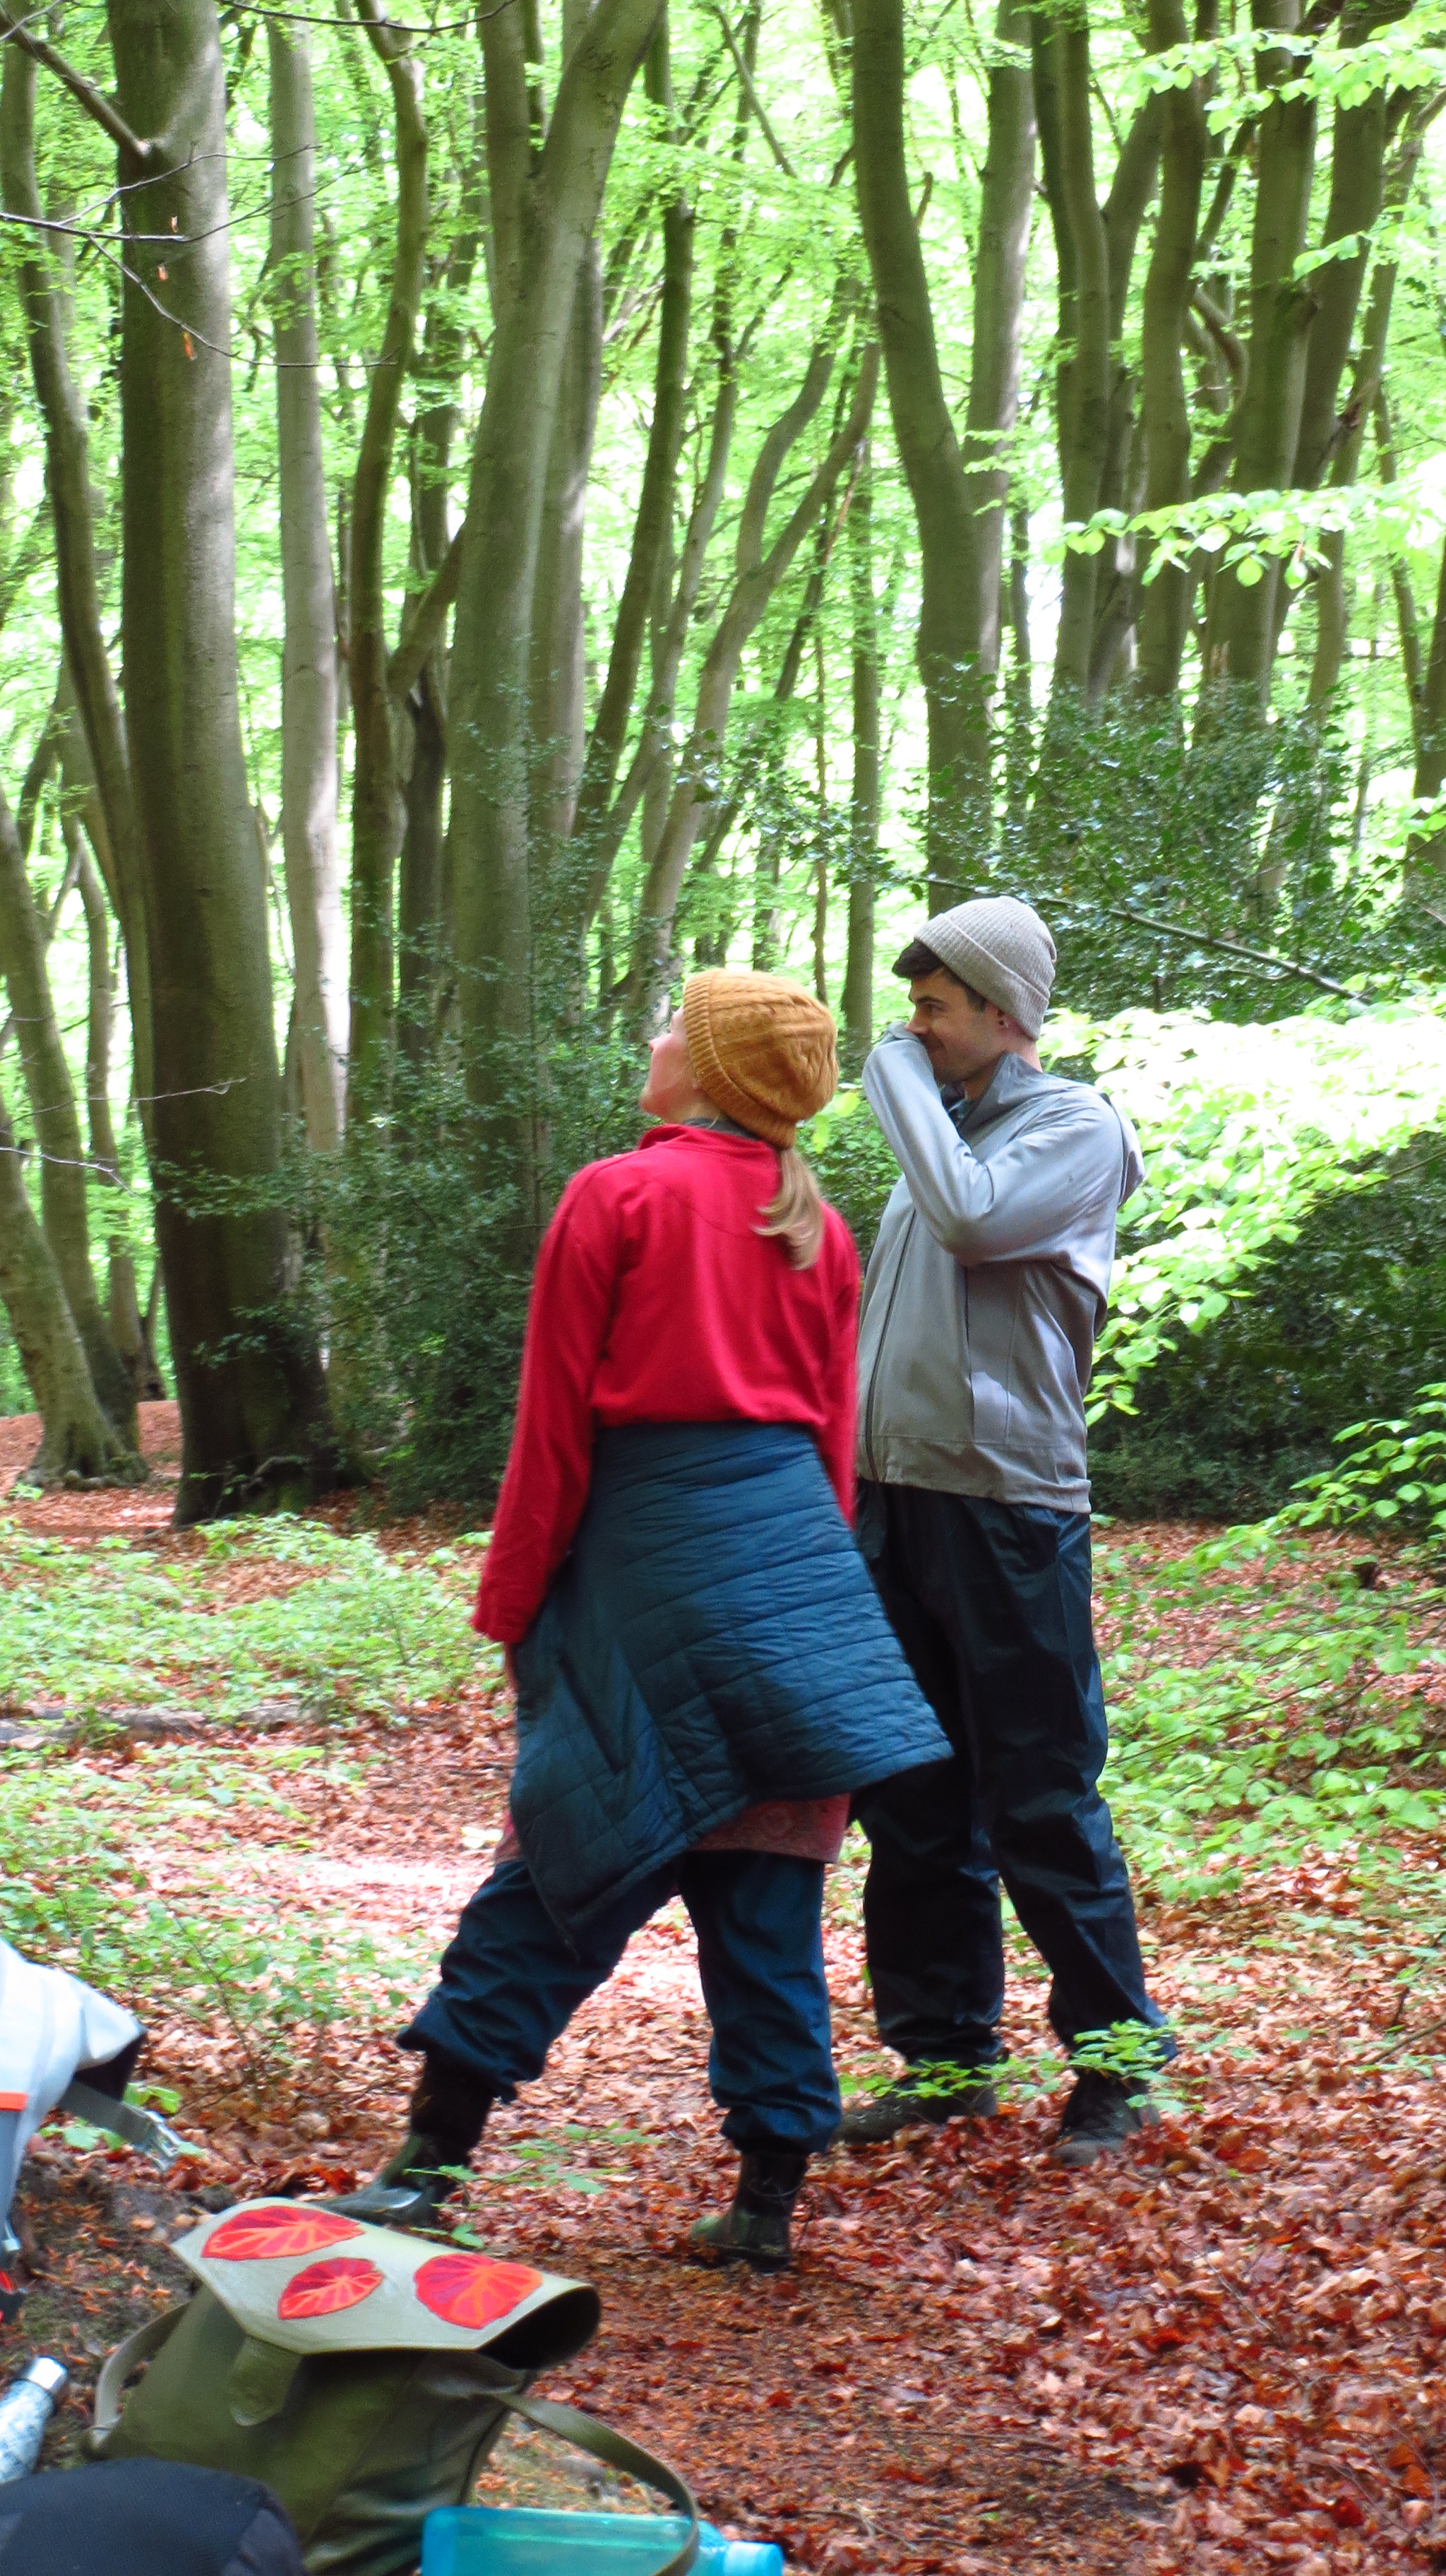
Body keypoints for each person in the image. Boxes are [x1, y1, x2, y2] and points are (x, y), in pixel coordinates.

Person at [344, 972, 949, 2270]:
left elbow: (554, 1428)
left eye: (677, 1024)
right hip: (794, 1580)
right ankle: (766, 2212)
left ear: (716, 1072)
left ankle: (425, 2173)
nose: (657, 1040)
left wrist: (515, 1607)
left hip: (648, 1570)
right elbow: (833, 1448)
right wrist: (811, 1602)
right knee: (767, 1894)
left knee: (563, 1868)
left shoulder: (617, 1195)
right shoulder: (818, 1229)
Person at [839, 895, 1172, 2168]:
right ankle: (945, 2061)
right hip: (896, 1504)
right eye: (911, 1010)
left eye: (934, 1007)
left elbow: (977, 1220)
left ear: (1002, 1013)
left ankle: (1118, 2066)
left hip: (1008, 1507)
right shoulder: (950, 1131)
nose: (912, 1028)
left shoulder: (1074, 1128)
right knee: (915, 1801)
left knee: (1038, 1797)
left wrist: (889, 1077)